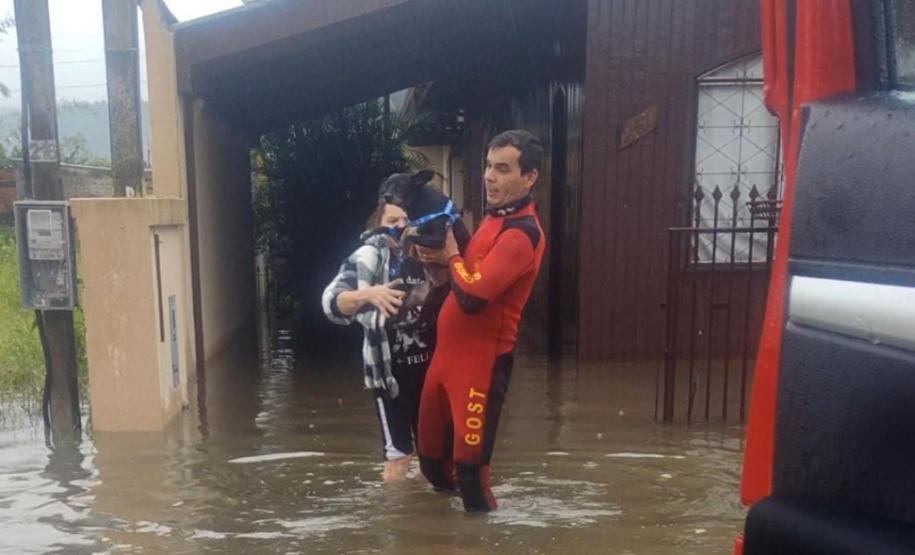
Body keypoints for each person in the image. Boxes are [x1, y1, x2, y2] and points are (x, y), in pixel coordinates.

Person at [414, 130, 546, 512]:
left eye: (503, 169)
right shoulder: (492, 220)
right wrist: (441, 263)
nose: (489, 177)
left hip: (480, 368)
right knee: (432, 466)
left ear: (530, 177)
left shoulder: (523, 233)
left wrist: (452, 254)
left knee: (471, 476)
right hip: (444, 361)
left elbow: (473, 297)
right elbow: (468, 276)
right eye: (488, 166)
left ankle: (483, 540)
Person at [322, 201, 448, 482]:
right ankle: (392, 519)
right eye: (393, 219)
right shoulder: (368, 256)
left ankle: (425, 516)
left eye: (406, 219)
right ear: (376, 226)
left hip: (430, 375)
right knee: (399, 455)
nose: (401, 225)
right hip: (391, 378)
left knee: (434, 453)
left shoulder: (425, 254)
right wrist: (368, 295)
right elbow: (331, 302)